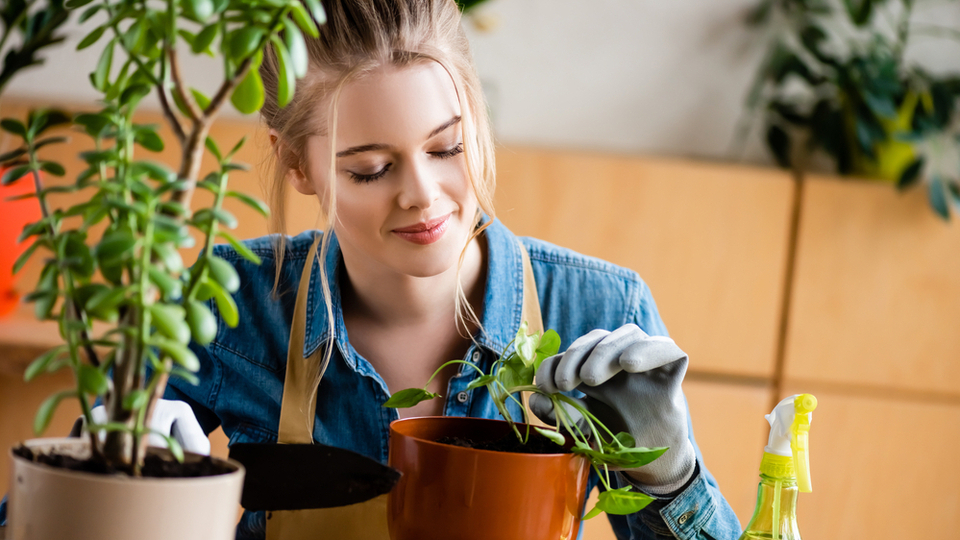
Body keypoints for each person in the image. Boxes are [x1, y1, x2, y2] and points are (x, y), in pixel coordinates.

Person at [0, 1, 743, 539]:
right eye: (371, 169)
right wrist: (102, 490)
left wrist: (671, 476)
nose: (423, 194)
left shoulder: (599, 310)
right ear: (298, 165)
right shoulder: (233, 304)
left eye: (447, 148)